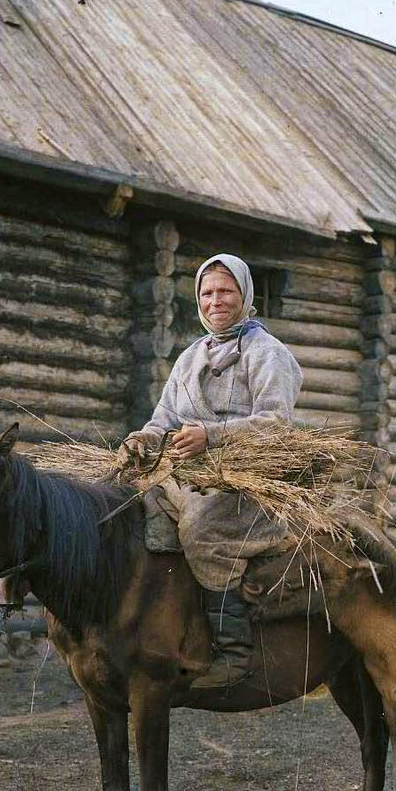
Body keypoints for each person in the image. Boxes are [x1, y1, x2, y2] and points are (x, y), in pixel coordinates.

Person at [122, 253, 303, 689]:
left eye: (225, 291)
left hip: (247, 479)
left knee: (202, 530)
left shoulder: (267, 354)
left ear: (244, 294)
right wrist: (141, 441)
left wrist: (213, 435)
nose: (214, 301)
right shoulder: (190, 357)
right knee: (122, 503)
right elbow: (162, 419)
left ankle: (233, 650)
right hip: (188, 474)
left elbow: (277, 426)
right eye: (206, 293)